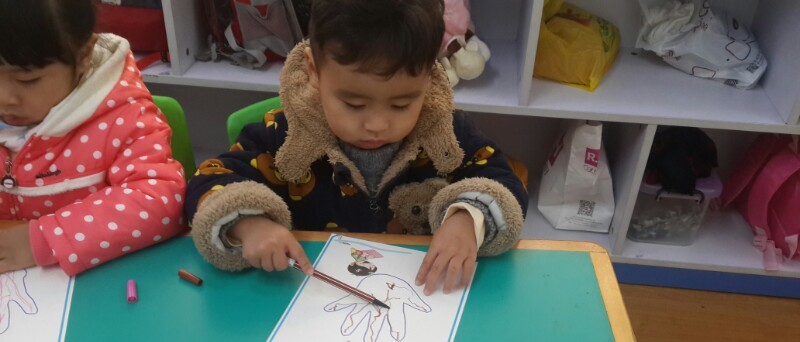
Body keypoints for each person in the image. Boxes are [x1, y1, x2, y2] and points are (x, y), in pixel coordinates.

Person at [186, 0, 527, 295]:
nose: (377, 125)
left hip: (419, 293)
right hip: (309, 300)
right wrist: (249, 226)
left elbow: (503, 182)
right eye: (354, 104)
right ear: (314, 70)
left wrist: (468, 219)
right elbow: (208, 181)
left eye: (401, 105)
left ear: (429, 77)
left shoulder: (448, 133)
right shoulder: (281, 136)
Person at [0, 0, 186, 275]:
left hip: (92, 283)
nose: (5, 98)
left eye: (28, 81)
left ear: (83, 56)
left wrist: (44, 239)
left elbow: (161, 201)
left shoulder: (123, 116)